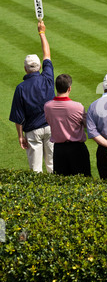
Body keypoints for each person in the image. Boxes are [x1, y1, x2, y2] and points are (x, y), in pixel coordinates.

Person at [9, 20, 54, 174]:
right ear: (39, 67)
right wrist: (42, 32)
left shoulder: (20, 88)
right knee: (53, 167)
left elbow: (18, 115)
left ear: (25, 69)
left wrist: (20, 136)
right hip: (51, 128)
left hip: (33, 131)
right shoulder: (47, 77)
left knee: (35, 171)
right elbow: (47, 54)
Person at [44, 74, 91, 177]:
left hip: (59, 150)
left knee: (62, 183)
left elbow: (49, 121)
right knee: (84, 181)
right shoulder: (78, 106)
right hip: (77, 149)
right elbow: (88, 125)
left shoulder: (47, 106)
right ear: (69, 88)